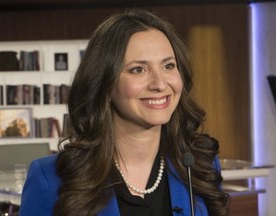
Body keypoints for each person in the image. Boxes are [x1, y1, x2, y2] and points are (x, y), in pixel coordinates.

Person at [19, 10, 229, 216]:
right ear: (105, 83)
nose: (159, 83)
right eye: (138, 69)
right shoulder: (50, 178)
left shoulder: (199, 164)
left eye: (168, 65)